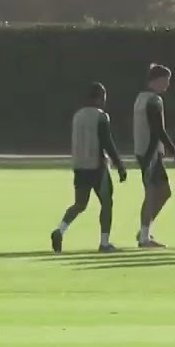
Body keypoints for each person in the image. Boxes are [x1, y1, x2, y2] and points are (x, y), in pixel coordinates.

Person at [52, 82, 129, 254]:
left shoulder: (77, 116)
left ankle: (60, 230)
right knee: (107, 202)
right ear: (101, 97)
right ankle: (104, 242)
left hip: (79, 165)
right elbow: (106, 142)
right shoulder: (101, 116)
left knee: (79, 204)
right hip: (96, 166)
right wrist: (120, 165)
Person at [133, 64, 175, 248]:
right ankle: (144, 237)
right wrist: (174, 151)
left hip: (144, 150)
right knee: (152, 193)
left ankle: (144, 229)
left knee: (164, 192)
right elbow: (158, 130)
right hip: (149, 152)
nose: (167, 85)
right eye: (166, 81)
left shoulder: (140, 98)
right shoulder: (154, 100)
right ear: (158, 80)